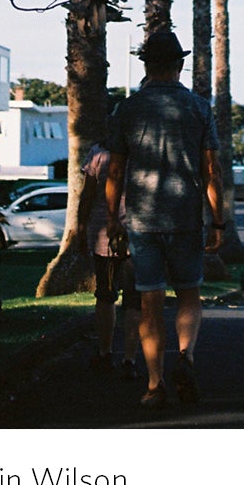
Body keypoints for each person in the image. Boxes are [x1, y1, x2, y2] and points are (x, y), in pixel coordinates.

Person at [106, 28, 226, 410]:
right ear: (180, 64)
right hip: (186, 218)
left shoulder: (127, 109)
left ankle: (155, 383)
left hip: (142, 220)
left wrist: (113, 218)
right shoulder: (198, 108)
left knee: (150, 303)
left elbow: (114, 171)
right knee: (189, 294)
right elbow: (212, 171)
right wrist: (218, 221)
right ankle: (186, 356)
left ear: (146, 65)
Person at [76, 141, 141, 377]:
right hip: (138, 233)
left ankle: (105, 353)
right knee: (134, 300)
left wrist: (81, 230)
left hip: (103, 233)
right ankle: (130, 359)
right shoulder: (143, 153)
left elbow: (87, 195)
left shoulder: (98, 153)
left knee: (105, 294)